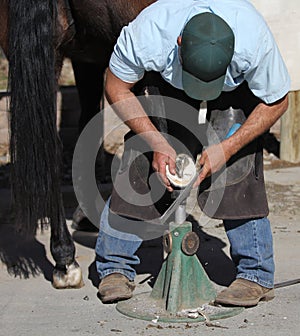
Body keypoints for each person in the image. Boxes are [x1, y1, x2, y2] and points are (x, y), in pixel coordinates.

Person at [95, 0, 290, 306]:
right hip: (168, 78)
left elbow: (277, 101)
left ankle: (255, 274)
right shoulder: (149, 33)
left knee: (238, 162)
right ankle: (115, 266)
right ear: (179, 42)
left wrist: (226, 147)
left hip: (232, 86)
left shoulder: (254, 41)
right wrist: (157, 142)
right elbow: (117, 86)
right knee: (142, 158)